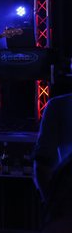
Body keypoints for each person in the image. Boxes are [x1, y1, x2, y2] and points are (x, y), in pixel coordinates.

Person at [33, 90, 72, 232]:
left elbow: (41, 166)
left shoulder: (59, 106)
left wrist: (53, 210)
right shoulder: (59, 106)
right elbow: (42, 165)